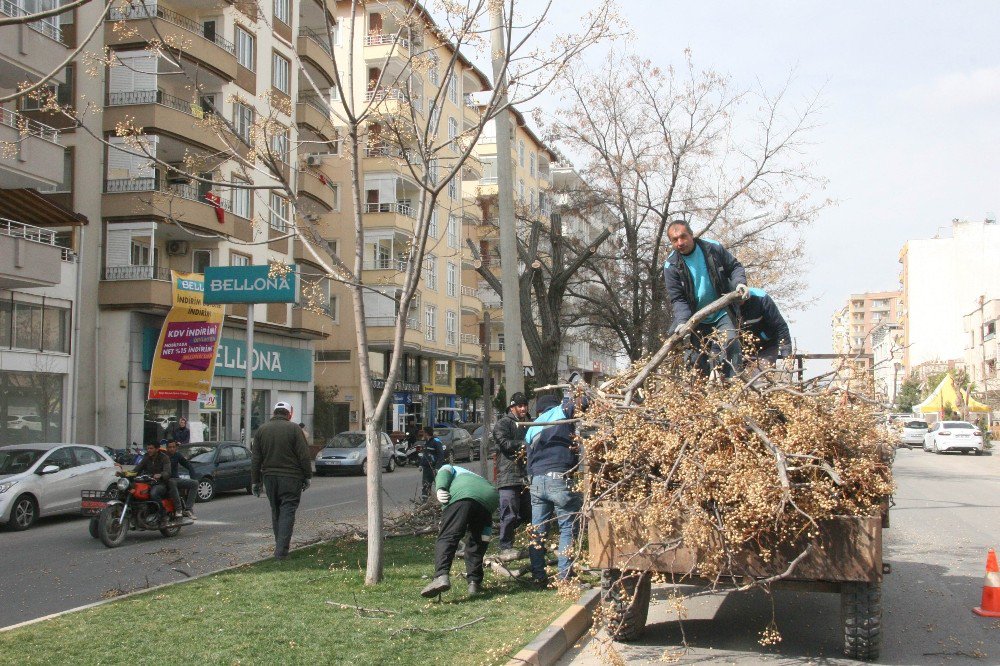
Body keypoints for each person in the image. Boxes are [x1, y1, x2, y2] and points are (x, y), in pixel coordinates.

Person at [662, 219, 749, 377]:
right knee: (696, 361)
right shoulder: (671, 266)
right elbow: (678, 298)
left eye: (683, 237)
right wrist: (683, 322)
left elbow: (734, 267)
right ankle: (700, 396)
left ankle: (733, 386)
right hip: (696, 319)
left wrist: (740, 284)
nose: (680, 242)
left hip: (722, 312)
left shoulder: (712, 248)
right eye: (675, 240)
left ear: (691, 235)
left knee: (729, 343)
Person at [525, 394, 584, 584]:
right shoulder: (562, 412)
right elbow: (581, 402)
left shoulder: (531, 428)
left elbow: (528, 463)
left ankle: (538, 576)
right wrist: (576, 393)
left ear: (540, 410)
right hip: (558, 479)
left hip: (536, 481)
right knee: (567, 527)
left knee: (537, 531)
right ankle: (564, 576)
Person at [420, 464, 499, 598]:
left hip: (462, 495)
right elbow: (484, 536)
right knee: (478, 541)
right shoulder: (477, 478)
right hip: (490, 497)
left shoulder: (452, 468)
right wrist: (485, 537)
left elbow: (444, 470)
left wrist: (440, 488)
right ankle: (474, 582)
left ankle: (441, 576)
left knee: (448, 537)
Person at [251, 401, 313, 560]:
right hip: (291, 477)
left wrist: (255, 481)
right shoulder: (294, 429)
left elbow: (256, 459)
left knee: (276, 511)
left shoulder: (261, 430)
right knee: (287, 511)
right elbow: (304, 455)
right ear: (289, 414)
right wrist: (307, 476)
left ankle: (279, 548)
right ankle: (281, 552)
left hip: (269, 478)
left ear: (274, 413)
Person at [491, 391, 531, 561]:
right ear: (512, 407)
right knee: (509, 514)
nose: (523, 408)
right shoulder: (503, 424)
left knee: (529, 514)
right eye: (519, 406)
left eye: (524, 405)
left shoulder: (529, 423)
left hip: (526, 477)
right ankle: (505, 546)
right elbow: (505, 444)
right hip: (508, 477)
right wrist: (526, 445)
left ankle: (532, 545)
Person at [740, 287, 792, 365]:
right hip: (740, 349)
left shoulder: (761, 297)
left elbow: (780, 326)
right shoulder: (724, 303)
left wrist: (786, 356)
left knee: (760, 375)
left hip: (766, 347)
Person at [132, 441, 178, 519]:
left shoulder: (164, 457)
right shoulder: (146, 457)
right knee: (133, 492)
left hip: (161, 483)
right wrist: (124, 474)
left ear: (157, 449)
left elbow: (168, 472)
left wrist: (161, 475)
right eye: (148, 448)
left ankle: (162, 514)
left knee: (154, 493)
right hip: (148, 483)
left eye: (151, 448)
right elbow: (136, 470)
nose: (149, 450)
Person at [165, 439, 199, 519]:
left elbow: (189, 466)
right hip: (166, 480)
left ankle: (188, 508)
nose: (172, 449)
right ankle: (178, 509)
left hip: (176, 479)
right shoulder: (163, 456)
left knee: (195, 483)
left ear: (176, 447)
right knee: (171, 482)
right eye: (170, 447)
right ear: (166, 448)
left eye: (173, 447)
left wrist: (193, 478)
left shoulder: (178, 455)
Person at [420, 426, 445, 500]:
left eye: (423, 433)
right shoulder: (426, 442)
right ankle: (425, 501)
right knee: (426, 485)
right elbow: (425, 455)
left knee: (439, 485)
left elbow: (441, 455)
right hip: (427, 468)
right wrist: (421, 464)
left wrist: (437, 467)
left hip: (434, 468)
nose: (423, 435)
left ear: (426, 433)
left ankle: (442, 500)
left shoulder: (436, 442)